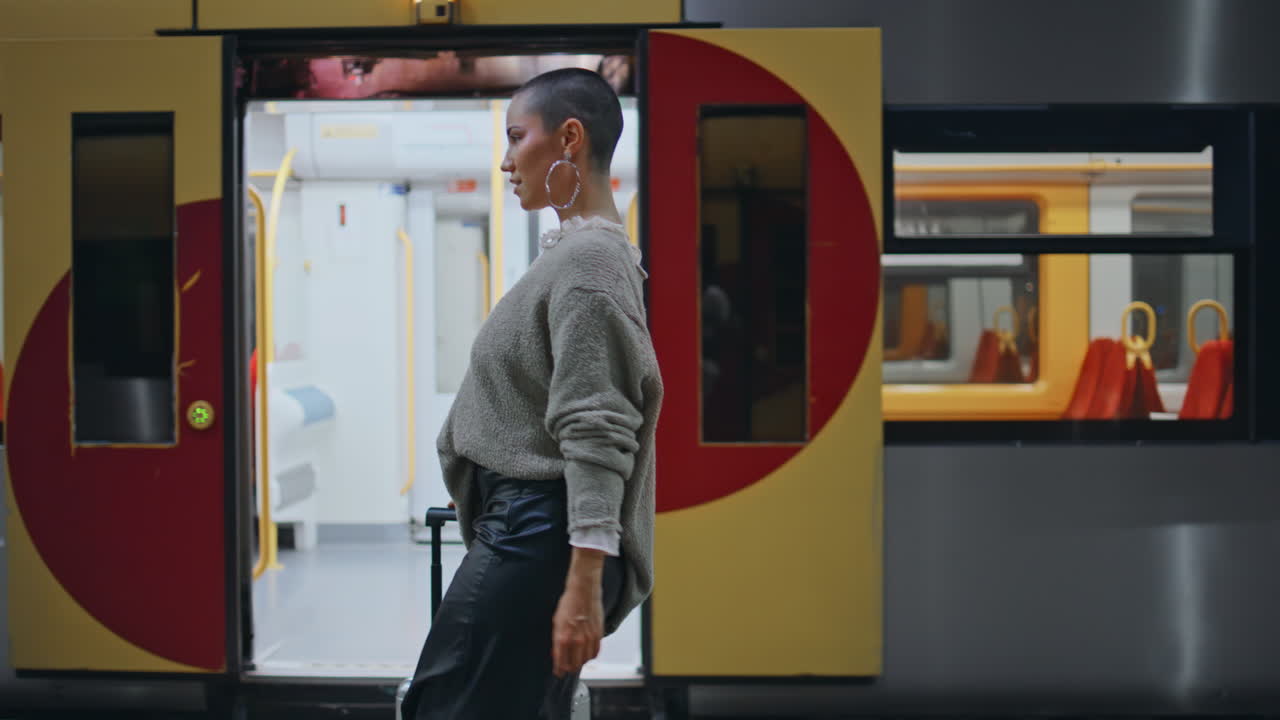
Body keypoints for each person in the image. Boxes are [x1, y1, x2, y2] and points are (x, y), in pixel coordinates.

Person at [400, 68, 663, 719]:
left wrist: (583, 585)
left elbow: (598, 426)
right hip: (526, 530)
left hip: (536, 535)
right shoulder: (580, 256)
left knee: (448, 706)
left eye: (517, 137)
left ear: (569, 138)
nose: (505, 159)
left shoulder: (589, 263)